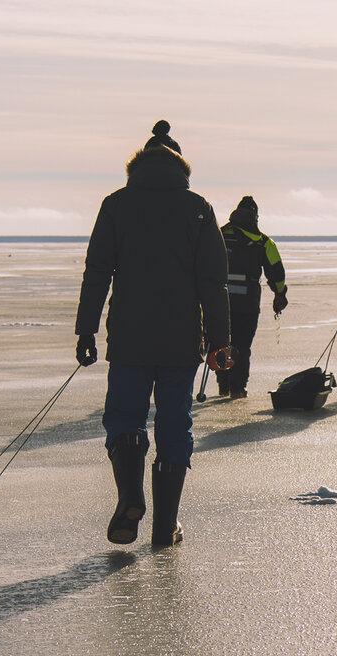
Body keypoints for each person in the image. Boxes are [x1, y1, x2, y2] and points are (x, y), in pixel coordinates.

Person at [74, 120, 232, 547]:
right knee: (174, 424)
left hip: (129, 337)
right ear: (181, 165)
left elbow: (97, 273)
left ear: (138, 164)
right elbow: (213, 282)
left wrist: (86, 330)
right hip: (181, 340)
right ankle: (165, 526)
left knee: (125, 416)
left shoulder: (116, 205)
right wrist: (220, 342)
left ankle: (129, 497)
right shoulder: (198, 208)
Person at [216, 196, 288, 399]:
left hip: (221, 300)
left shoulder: (220, 235)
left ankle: (223, 385)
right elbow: (276, 271)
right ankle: (237, 387)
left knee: (222, 342)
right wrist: (280, 294)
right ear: (255, 216)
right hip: (247, 302)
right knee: (242, 345)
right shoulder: (264, 241)